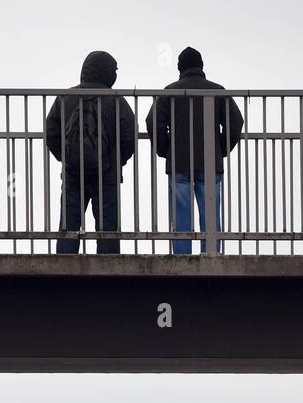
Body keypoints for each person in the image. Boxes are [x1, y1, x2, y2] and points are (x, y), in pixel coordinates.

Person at [145, 46, 244, 254]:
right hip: (210, 163)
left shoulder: (169, 92)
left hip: (179, 162)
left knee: (181, 215)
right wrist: (220, 149)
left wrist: (166, 149)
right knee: (210, 215)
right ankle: (211, 254)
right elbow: (235, 123)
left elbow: (153, 122)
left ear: (180, 68)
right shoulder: (217, 91)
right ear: (201, 66)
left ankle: (182, 256)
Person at [46, 51, 136, 254]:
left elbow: (51, 131)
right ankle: (109, 269)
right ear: (106, 72)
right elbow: (129, 136)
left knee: (69, 225)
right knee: (108, 228)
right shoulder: (115, 100)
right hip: (108, 175)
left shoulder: (66, 97)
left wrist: (66, 156)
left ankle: (63, 268)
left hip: (72, 174)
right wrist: (116, 161)